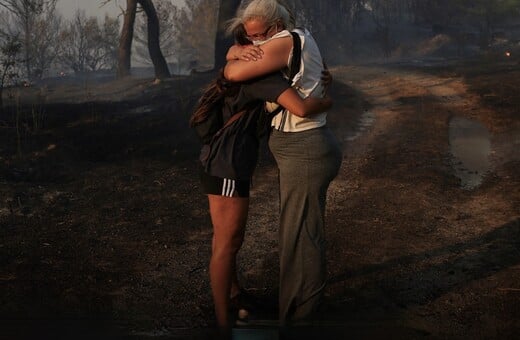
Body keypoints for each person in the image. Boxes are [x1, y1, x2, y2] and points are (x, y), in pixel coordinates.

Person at [191, 23, 333, 339]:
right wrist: (327, 102)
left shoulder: (247, 68)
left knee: (223, 240)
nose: (265, 44)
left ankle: (233, 296)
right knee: (229, 243)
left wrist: (235, 52)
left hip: (219, 161)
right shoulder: (263, 79)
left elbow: (230, 62)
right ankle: (223, 322)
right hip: (227, 167)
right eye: (258, 41)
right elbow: (301, 107)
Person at [224, 0, 343, 328]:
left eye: (258, 37)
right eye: (248, 38)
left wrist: (234, 55)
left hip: (305, 149)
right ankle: (297, 310)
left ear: (276, 27)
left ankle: (301, 318)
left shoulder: (285, 41)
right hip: (306, 147)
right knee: (298, 232)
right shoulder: (298, 39)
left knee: (301, 236)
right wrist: (238, 50)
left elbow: (232, 73)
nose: (254, 44)